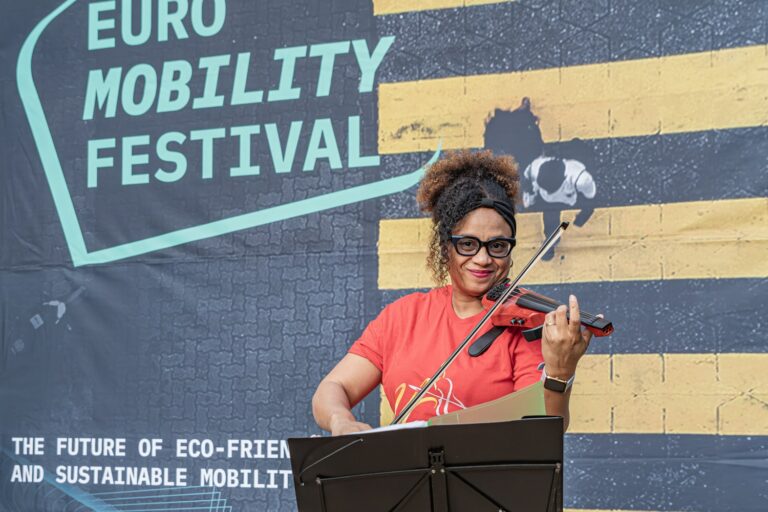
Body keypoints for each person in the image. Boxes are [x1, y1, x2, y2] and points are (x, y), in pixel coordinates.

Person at [312, 150, 595, 436]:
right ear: (445, 246)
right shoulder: (401, 317)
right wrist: (341, 420)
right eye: (468, 244)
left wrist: (560, 373)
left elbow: (541, 435)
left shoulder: (526, 327)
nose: (483, 259)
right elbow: (333, 388)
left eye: (497, 246)